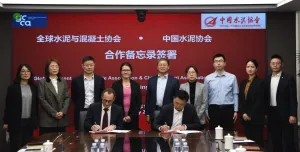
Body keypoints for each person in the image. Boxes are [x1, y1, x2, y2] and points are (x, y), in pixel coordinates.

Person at [264, 54, 298, 152]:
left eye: (277, 63)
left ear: (282, 65)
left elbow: (292, 98)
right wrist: (265, 113)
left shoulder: (288, 78)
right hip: (272, 113)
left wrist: (293, 114)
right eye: (273, 63)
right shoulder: (267, 78)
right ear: (270, 64)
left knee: (288, 140)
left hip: (285, 114)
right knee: (275, 140)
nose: (275, 65)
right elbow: (265, 98)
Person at [3, 64, 38, 152]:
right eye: (23, 71)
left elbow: (36, 106)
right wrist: (6, 122)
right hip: (15, 122)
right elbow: (8, 105)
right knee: (15, 146)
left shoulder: (34, 87)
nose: (26, 73)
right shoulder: (13, 87)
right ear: (19, 73)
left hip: (29, 122)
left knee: (27, 147)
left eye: (28, 71)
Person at [204, 53, 239, 130]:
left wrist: (236, 110)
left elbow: (235, 94)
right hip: (213, 109)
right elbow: (206, 96)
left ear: (225, 63)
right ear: (213, 64)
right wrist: (206, 111)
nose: (218, 63)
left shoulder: (232, 77)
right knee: (214, 134)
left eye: (220, 61)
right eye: (216, 61)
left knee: (228, 134)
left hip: (228, 109)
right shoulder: (208, 78)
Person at [71, 56, 105, 131]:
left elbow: (101, 95)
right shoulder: (76, 80)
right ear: (82, 66)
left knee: (96, 133)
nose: (89, 67)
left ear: (94, 65)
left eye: (91, 65)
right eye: (87, 65)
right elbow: (74, 97)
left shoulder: (100, 79)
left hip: (96, 111)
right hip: (81, 110)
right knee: (81, 134)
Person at [38, 58, 70, 135]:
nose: (54, 68)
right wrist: (54, 113)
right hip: (47, 120)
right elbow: (42, 99)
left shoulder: (63, 81)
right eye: (52, 66)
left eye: (56, 66)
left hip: (61, 119)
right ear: (47, 68)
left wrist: (62, 112)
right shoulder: (42, 82)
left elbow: (67, 97)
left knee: (60, 143)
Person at [238, 60, 264, 147]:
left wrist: (250, 114)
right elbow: (241, 99)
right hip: (245, 118)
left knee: (256, 142)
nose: (250, 69)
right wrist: (243, 113)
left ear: (256, 68)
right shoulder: (243, 82)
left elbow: (259, 101)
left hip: (255, 118)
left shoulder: (260, 82)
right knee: (247, 142)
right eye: (248, 67)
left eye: (252, 67)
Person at [145, 58, 179, 123]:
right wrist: (147, 114)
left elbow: (176, 98)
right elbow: (148, 98)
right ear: (157, 67)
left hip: (169, 111)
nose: (162, 66)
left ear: (168, 67)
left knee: (168, 131)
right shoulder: (151, 80)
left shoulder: (174, 81)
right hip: (154, 111)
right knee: (153, 131)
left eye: (164, 65)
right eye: (160, 65)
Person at [112, 62, 142, 130]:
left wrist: (130, 116)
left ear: (131, 72)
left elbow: (138, 103)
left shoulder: (136, 85)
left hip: (133, 118)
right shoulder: (115, 85)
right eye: (124, 70)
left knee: (133, 138)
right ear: (121, 72)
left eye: (128, 70)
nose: (126, 72)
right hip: (118, 117)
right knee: (119, 139)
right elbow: (113, 102)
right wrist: (121, 116)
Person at [180, 65, 208, 130]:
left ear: (197, 74)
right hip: (186, 118)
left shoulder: (202, 86)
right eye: (189, 72)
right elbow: (181, 102)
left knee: (200, 138)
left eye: (193, 72)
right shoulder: (182, 86)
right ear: (186, 74)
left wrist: (197, 116)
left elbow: (204, 102)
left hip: (200, 118)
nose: (191, 74)